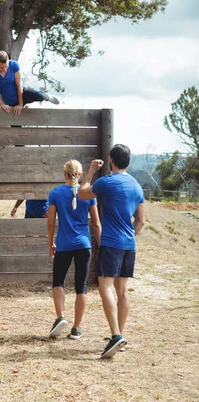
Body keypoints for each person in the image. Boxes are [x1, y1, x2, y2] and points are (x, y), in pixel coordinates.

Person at [78, 144, 145, 358]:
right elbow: (141, 221)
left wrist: (90, 170)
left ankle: (115, 335)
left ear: (111, 160)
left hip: (111, 242)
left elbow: (82, 194)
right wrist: (128, 237)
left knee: (104, 286)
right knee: (122, 291)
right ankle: (120, 336)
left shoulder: (106, 182)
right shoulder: (136, 185)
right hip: (129, 244)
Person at [47, 160, 101, 340]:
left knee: (58, 282)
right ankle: (77, 328)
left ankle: (61, 316)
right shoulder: (88, 194)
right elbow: (95, 222)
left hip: (64, 244)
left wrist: (50, 242)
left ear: (65, 174)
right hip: (84, 244)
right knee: (81, 287)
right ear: (80, 174)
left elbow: (50, 221)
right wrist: (101, 246)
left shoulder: (56, 193)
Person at [0, 51, 59, 116]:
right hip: (10, 102)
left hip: (22, 94)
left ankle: (47, 96)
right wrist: (2, 104)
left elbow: (19, 85)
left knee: (39, 95)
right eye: (1, 67)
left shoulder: (14, 65)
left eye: (6, 66)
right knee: (16, 127)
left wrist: (20, 104)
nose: (4, 69)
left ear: (8, 61)